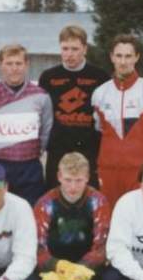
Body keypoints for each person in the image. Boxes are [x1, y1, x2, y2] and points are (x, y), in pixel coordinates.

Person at [33, 152, 111, 280]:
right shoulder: (45, 203)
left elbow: (102, 244)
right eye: (68, 180)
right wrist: (57, 265)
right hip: (56, 258)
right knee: (48, 278)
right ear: (59, 176)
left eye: (78, 180)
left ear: (87, 177)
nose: (73, 187)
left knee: (97, 275)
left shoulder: (98, 201)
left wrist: (83, 266)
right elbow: (38, 247)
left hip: (87, 257)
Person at [91, 34, 143, 207]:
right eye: (119, 56)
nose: (123, 62)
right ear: (111, 57)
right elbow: (99, 130)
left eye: (128, 56)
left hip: (141, 171)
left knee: (140, 217)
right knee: (110, 217)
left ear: (136, 57)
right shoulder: (100, 94)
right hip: (109, 171)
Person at [0, 44, 53, 206]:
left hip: (30, 166)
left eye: (18, 63)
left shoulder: (41, 95)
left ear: (26, 65)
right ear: (0, 65)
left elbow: (46, 130)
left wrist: (35, 151)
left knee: (31, 208)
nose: (14, 68)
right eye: (9, 63)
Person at [38, 25, 109, 189]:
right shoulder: (48, 77)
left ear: (85, 49)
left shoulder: (100, 77)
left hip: (89, 150)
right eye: (65, 48)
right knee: (55, 195)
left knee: (89, 195)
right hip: (58, 150)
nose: (69, 54)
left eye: (75, 49)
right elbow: (42, 115)